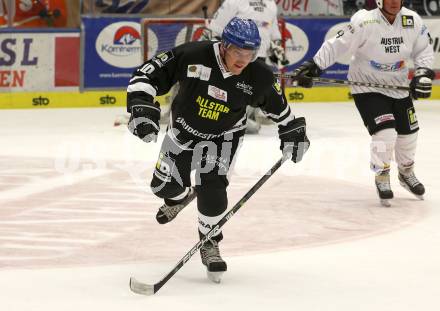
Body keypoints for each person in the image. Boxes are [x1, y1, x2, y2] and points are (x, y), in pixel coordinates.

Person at [126, 17, 309, 282]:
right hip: (182, 131)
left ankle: (209, 241)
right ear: (224, 45)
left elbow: (281, 111)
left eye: (250, 54)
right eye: (237, 52)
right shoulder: (192, 54)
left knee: (213, 188)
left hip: (223, 137)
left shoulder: (258, 76)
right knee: (163, 188)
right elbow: (146, 74)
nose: (243, 60)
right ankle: (181, 197)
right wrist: (141, 103)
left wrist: (293, 130)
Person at [292, 0, 434, 206]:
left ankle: (406, 173)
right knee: (385, 132)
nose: (394, 2)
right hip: (367, 86)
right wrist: (314, 66)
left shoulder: (412, 20)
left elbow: (424, 50)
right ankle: (382, 174)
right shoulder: (364, 21)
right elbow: (337, 44)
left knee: (408, 134)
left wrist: (422, 74)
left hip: (398, 86)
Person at [202, 0, 289, 134]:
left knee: (256, 89)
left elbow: (273, 29)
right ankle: (231, 119)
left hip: (259, 56)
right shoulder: (234, 1)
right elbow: (215, 29)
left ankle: (247, 117)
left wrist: (276, 47)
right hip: (236, 57)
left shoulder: (270, 3)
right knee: (233, 90)